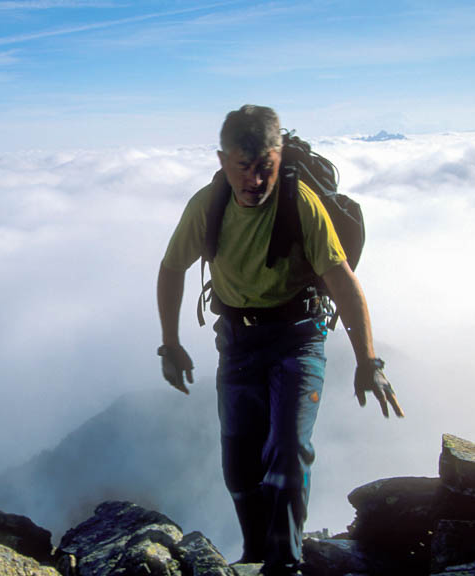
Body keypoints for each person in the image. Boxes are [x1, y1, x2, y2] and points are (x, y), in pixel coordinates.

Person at [156, 105, 403, 576]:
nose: (254, 181)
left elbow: (341, 280)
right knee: (239, 458)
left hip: (298, 337)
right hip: (238, 341)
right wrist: (170, 343)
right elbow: (171, 269)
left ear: (279, 155)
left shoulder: (301, 202)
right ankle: (255, 554)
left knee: (288, 449)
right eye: (242, 168)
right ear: (222, 160)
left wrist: (368, 359)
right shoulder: (206, 206)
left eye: (264, 167)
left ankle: (285, 564)